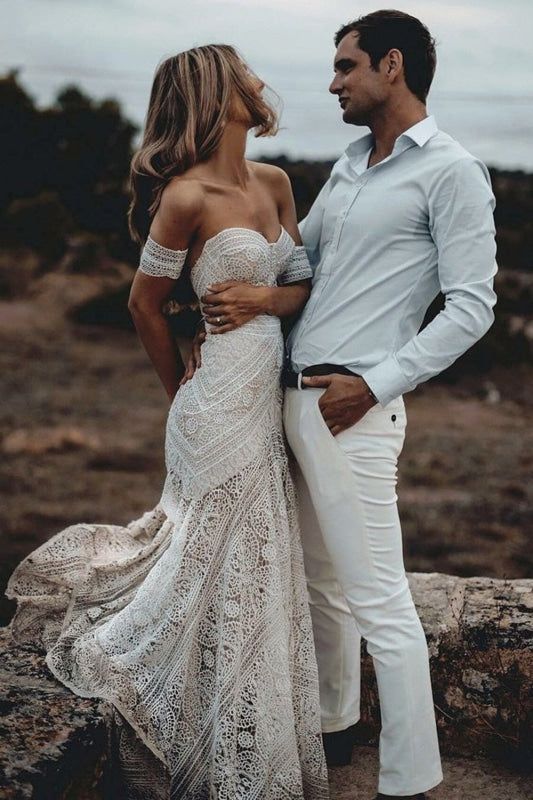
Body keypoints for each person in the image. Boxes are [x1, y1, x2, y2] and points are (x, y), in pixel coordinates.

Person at [6, 44, 329, 800]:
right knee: (216, 550)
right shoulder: (185, 197)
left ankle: (246, 729)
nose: (259, 81)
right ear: (219, 93)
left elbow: (301, 285)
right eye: (244, 74)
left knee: (254, 555)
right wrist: (178, 389)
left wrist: (265, 301)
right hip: (213, 400)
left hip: (265, 392)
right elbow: (143, 305)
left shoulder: (276, 182)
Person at [196, 10, 498, 800]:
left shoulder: (452, 172)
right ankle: (332, 731)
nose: (331, 84)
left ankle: (408, 781)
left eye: (344, 67)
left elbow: (472, 307)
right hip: (288, 400)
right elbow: (308, 263)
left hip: (355, 407)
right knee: (319, 586)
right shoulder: (352, 163)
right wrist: (239, 272)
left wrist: (378, 383)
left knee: (380, 604)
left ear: (390, 66)